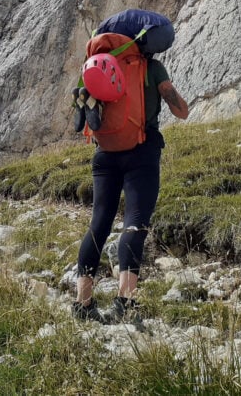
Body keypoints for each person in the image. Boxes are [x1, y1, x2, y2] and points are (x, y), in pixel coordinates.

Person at [72, 56, 189, 324]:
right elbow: (181, 111)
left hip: (104, 153)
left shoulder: (102, 63)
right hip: (141, 152)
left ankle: (82, 304)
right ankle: (125, 302)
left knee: (98, 224)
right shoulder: (151, 67)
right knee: (134, 223)